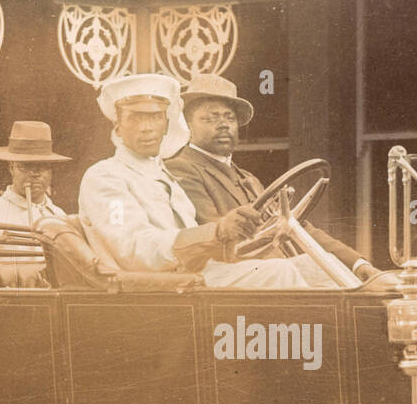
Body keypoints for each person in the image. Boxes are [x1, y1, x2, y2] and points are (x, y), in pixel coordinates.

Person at [77, 73, 342, 289]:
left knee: (315, 269)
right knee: (280, 273)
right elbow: (135, 250)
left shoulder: (162, 175)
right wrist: (216, 232)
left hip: (191, 278)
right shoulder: (105, 177)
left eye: (155, 117)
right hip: (157, 290)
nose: (147, 127)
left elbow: (204, 245)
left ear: (167, 124)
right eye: (135, 118)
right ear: (117, 127)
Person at [165, 73, 385, 283]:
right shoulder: (182, 169)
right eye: (210, 118)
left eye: (229, 117)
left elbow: (299, 227)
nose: (223, 124)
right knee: (303, 272)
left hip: (268, 272)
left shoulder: (248, 179)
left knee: (330, 272)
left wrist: (358, 265)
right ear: (188, 125)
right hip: (224, 278)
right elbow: (215, 236)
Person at [0, 121, 71, 229]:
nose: (35, 173)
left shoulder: (60, 216)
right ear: (11, 168)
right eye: (26, 166)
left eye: (42, 166)